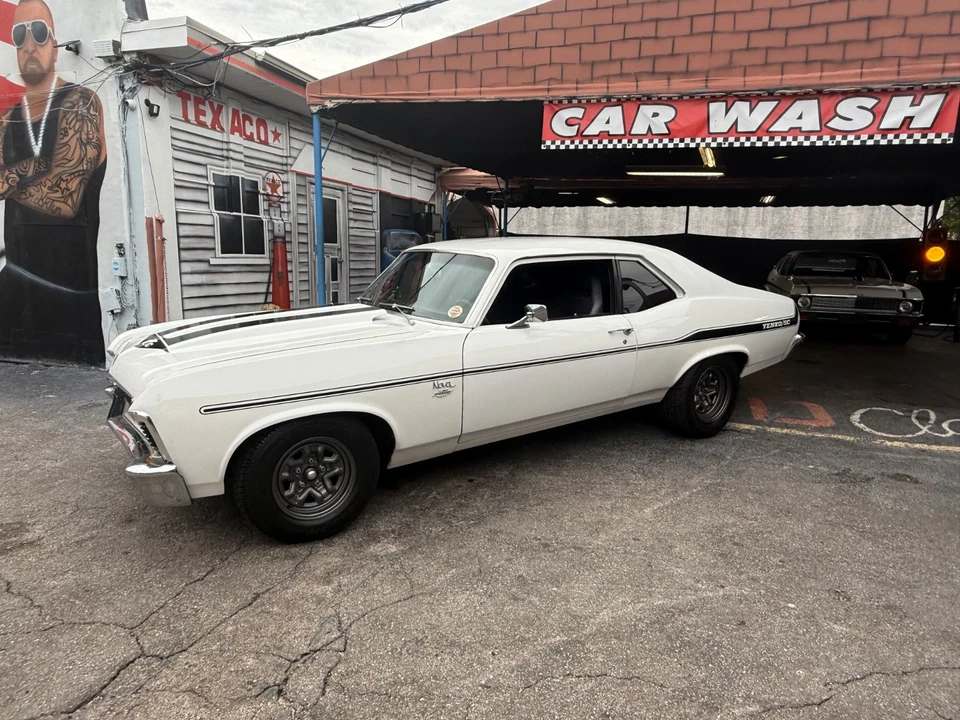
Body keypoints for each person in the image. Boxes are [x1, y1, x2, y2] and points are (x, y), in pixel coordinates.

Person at [0, 0, 107, 363]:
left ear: (56, 44)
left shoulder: (81, 102)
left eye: (39, 32)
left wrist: (11, 181)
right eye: (19, 35)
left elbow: (65, 196)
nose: (29, 44)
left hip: (73, 307)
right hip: (16, 314)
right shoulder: (7, 120)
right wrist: (38, 167)